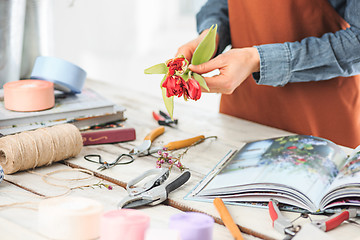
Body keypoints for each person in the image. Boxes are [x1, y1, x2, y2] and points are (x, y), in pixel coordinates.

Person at [176, 0, 360, 148]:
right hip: (243, 108)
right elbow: (222, 3)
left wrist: (258, 60)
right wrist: (210, 37)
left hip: (322, 115)